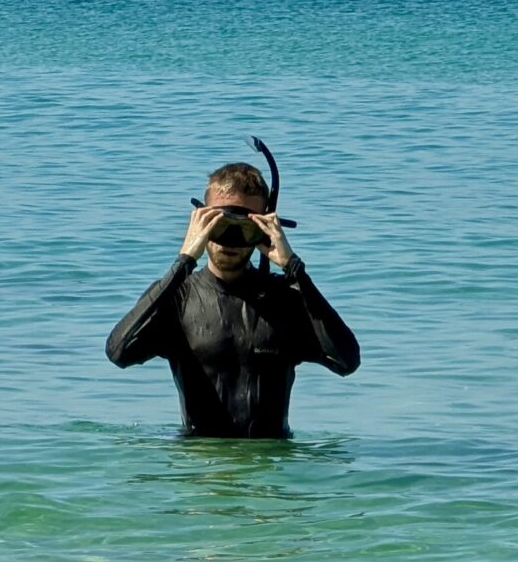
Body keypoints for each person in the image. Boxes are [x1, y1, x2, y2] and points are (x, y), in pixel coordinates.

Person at [105, 161, 359, 437]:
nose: (229, 239)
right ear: (201, 224)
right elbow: (118, 352)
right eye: (220, 224)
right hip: (201, 459)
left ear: (264, 228)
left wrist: (294, 269)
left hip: (270, 462)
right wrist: (184, 262)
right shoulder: (178, 297)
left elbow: (347, 361)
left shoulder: (286, 301)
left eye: (244, 228)